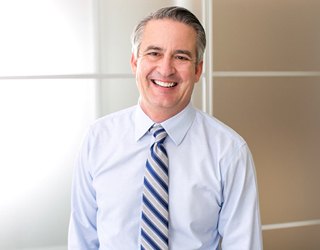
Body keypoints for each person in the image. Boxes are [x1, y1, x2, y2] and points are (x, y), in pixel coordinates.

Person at [68, 6, 263, 250]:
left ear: (198, 70)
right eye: (154, 53)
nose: (166, 69)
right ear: (134, 62)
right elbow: (82, 240)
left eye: (181, 57)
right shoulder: (97, 138)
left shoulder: (230, 151)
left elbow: (243, 245)